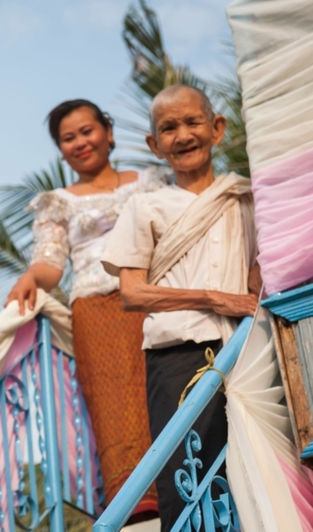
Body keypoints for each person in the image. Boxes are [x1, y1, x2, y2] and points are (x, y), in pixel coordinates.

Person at [101, 85, 260, 531]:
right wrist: (212, 298)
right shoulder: (145, 205)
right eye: (168, 128)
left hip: (245, 350)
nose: (183, 135)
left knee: (254, 467)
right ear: (155, 144)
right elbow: (132, 293)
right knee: (184, 476)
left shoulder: (246, 198)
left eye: (193, 122)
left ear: (217, 128)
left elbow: (260, 275)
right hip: (177, 355)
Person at [7, 99, 165, 517]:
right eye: (68, 138)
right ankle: (139, 508)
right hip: (99, 314)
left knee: (167, 388)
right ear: (61, 150)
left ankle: (183, 480)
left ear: (108, 133)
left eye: (87, 131)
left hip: (158, 301)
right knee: (118, 408)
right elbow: (49, 264)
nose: (80, 142)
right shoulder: (58, 201)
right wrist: (29, 278)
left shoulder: (150, 183)